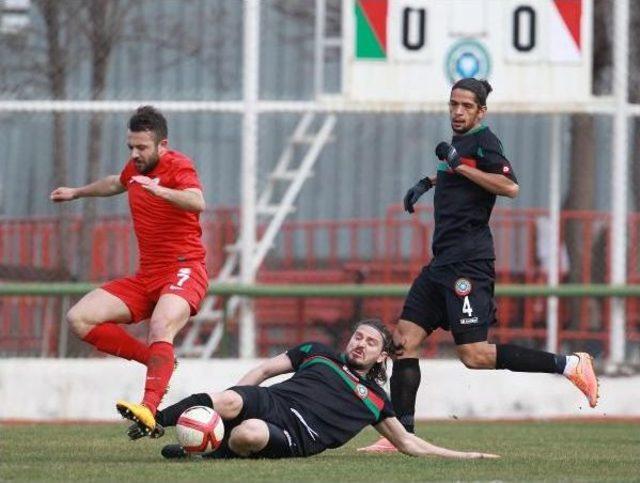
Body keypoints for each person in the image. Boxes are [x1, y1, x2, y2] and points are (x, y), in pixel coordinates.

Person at [359, 78, 599, 453]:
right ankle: (402, 437)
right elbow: (464, 177)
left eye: (466, 106)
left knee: (474, 356)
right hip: (442, 263)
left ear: (481, 111)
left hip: (468, 264)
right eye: (453, 104)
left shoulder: (485, 141)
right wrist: (431, 180)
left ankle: (569, 364)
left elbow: (509, 187)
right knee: (404, 342)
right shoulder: (462, 144)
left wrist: (459, 166)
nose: (457, 111)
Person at [50, 105, 208, 437]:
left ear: (162, 145)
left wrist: (160, 190)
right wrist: (77, 192)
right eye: (131, 147)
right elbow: (115, 183)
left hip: (184, 270)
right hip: (147, 277)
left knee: (161, 324)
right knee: (80, 318)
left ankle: (148, 409)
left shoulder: (178, 166)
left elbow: (197, 201)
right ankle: (157, 360)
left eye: (142, 148)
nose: (135, 154)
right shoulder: (135, 168)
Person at [129, 319, 497, 460]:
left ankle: (208, 452)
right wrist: (234, 403)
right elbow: (264, 369)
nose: (360, 344)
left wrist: (467, 457)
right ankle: (154, 419)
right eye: (358, 336)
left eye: (370, 342)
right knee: (229, 399)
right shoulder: (318, 353)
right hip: (274, 400)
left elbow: (409, 444)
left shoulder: (375, 401)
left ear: (381, 355)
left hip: (297, 434)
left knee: (250, 434)